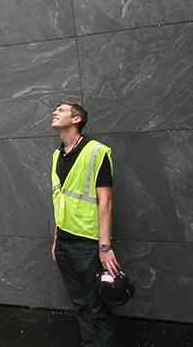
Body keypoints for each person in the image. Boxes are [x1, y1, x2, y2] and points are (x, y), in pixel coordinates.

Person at [50, 100, 120, 347]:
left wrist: (104, 246)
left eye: (61, 110)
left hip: (88, 245)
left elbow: (106, 202)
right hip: (65, 244)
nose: (55, 113)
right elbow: (60, 200)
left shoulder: (96, 152)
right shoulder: (57, 154)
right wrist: (56, 239)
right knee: (80, 306)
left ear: (77, 119)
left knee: (97, 307)